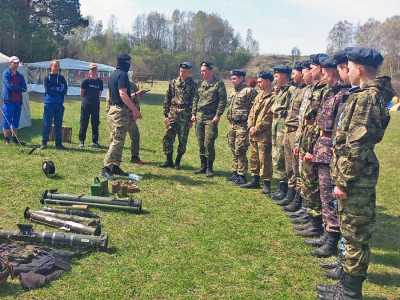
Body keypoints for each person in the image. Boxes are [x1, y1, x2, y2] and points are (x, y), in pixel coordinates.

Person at [317, 48, 394, 300]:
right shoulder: (362, 96)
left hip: (355, 179)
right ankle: (344, 276)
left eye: (348, 67)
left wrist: (343, 180)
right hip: (353, 176)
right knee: (349, 230)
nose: (345, 71)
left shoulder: (367, 99)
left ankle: (350, 292)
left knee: (355, 234)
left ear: (359, 68)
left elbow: (357, 146)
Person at [294, 53, 329, 238]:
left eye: (312, 67)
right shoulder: (316, 88)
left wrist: (311, 148)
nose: (310, 70)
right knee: (309, 182)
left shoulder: (326, 90)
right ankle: (310, 217)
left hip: (318, 147)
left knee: (315, 185)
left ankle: (316, 224)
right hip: (309, 142)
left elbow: (318, 123)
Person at [102, 54, 141, 177]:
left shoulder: (113, 74)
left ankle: (115, 166)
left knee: (117, 139)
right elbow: (123, 94)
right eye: (129, 62)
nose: (130, 64)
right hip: (119, 111)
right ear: (124, 63)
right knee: (117, 141)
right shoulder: (123, 75)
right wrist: (134, 109)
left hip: (113, 110)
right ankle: (106, 167)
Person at [276, 61, 306, 207]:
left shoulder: (303, 91)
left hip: (296, 132)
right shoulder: (297, 90)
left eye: (294, 73)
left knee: (297, 168)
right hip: (288, 130)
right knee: (289, 167)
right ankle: (291, 193)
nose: (292, 76)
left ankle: (297, 199)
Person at [240, 71, 274, 194]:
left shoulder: (273, 96)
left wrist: (257, 128)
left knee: (264, 159)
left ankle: (266, 183)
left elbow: (269, 116)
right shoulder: (259, 96)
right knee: (254, 157)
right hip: (253, 133)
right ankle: (255, 179)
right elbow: (251, 112)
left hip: (264, 134)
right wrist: (250, 126)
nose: (258, 84)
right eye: (258, 81)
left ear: (268, 81)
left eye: (261, 81)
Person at [191, 61, 227, 177]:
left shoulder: (218, 83)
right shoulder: (200, 83)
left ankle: (209, 167)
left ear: (211, 71)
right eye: (201, 71)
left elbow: (222, 101)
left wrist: (218, 115)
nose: (202, 73)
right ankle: (202, 166)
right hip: (199, 117)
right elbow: (195, 99)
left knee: (209, 143)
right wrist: (193, 113)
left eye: (204, 71)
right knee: (200, 142)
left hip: (211, 118)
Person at [161, 62, 197, 169]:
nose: (182, 73)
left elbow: (195, 101)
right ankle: (168, 160)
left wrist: (192, 118)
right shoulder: (173, 82)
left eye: (185, 72)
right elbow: (167, 98)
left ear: (189, 72)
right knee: (168, 137)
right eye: (181, 71)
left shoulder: (193, 85)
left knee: (183, 139)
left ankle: (177, 161)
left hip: (185, 115)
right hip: (172, 113)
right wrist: (166, 114)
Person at [226, 69, 257, 185]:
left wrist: (251, 124)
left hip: (242, 125)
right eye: (231, 78)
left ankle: (242, 175)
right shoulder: (233, 92)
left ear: (242, 78)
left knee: (241, 150)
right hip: (232, 124)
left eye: (235, 78)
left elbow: (254, 109)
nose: (232, 81)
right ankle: (235, 172)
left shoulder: (249, 91)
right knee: (233, 149)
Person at [270, 65, 293, 200]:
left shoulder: (290, 90)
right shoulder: (280, 90)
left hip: (283, 128)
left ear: (285, 76)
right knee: (277, 156)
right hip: (276, 126)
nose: (275, 78)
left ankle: (284, 187)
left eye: (277, 76)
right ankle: (281, 185)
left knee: (282, 157)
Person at [41, 60, 68, 150]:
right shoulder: (46, 78)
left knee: (58, 124)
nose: (56, 68)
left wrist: (55, 89)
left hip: (59, 104)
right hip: (49, 104)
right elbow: (48, 90)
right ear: (51, 67)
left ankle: (58, 143)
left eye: (58, 66)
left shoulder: (62, 78)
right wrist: (58, 89)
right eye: (55, 66)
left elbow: (64, 90)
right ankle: (44, 142)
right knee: (47, 124)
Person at [1, 56, 27, 144]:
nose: (16, 65)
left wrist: (16, 87)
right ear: (10, 63)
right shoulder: (6, 74)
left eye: (17, 63)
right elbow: (9, 86)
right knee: (7, 121)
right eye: (14, 63)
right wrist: (18, 87)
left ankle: (14, 138)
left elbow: (25, 88)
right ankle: (7, 140)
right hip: (8, 101)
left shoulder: (20, 75)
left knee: (16, 120)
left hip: (18, 102)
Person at [79, 63, 103, 148]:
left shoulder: (100, 82)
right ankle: (81, 141)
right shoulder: (85, 81)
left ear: (97, 71)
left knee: (95, 123)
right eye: (92, 69)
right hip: (86, 105)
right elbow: (82, 94)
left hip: (95, 105)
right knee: (83, 122)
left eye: (95, 69)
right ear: (89, 71)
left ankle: (95, 141)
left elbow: (99, 93)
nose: (93, 71)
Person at [128, 79, 146, 165]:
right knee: (117, 138)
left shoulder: (132, 85)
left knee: (135, 136)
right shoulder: (118, 83)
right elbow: (122, 97)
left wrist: (139, 94)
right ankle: (113, 161)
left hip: (131, 116)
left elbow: (136, 99)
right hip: (121, 115)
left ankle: (134, 157)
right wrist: (136, 94)